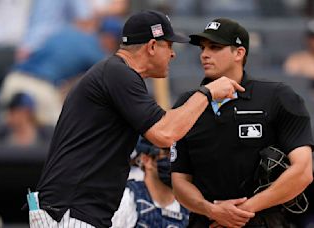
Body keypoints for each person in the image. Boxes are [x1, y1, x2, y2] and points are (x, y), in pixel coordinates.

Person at [27, 10, 244, 228]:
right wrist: (207, 93)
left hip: (73, 209)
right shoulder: (118, 73)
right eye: (169, 45)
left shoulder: (117, 74)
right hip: (70, 210)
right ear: (151, 46)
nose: (173, 54)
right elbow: (165, 134)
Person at [170, 18, 314, 228]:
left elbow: (303, 171)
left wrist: (240, 211)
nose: (204, 54)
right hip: (207, 222)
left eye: (215, 47)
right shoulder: (186, 104)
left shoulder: (278, 97)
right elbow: (180, 181)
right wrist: (212, 210)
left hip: (262, 222)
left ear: (239, 53)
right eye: (203, 48)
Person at [0, 17, 123, 126]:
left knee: (9, 137)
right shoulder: (95, 51)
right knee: (60, 135)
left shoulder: (67, 31)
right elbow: (112, 80)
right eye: (116, 43)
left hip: (13, 81)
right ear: (109, 38)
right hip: (40, 88)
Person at [111, 136, 189, 227]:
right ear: (146, 160)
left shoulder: (188, 206)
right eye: (168, 154)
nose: (174, 161)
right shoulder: (128, 198)